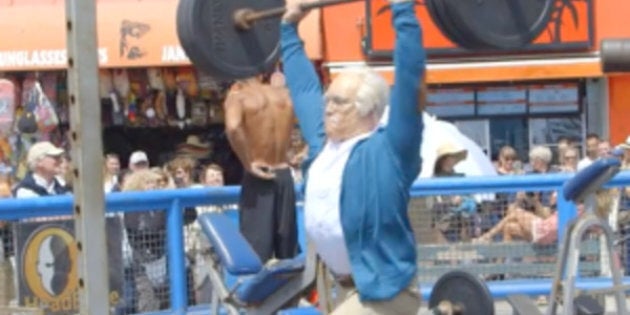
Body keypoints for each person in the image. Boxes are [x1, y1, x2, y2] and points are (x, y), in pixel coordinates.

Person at [280, 0, 425, 312]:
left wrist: (403, 12)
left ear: (368, 110)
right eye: (328, 99)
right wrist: (289, 29)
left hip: (386, 292)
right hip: (339, 287)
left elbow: (411, 81)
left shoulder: (391, 151)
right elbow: (304, 90)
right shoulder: (323, 146)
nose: (327, 106)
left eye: (339, 101)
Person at [223, 70, 298, 262]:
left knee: (255, 254)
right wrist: (297, 153)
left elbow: (233, 127)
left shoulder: (239, 97)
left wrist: (248, 163)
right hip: (284, 174)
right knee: (287, 254)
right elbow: (314, 116)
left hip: (260, 173)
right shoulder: (285, 95)